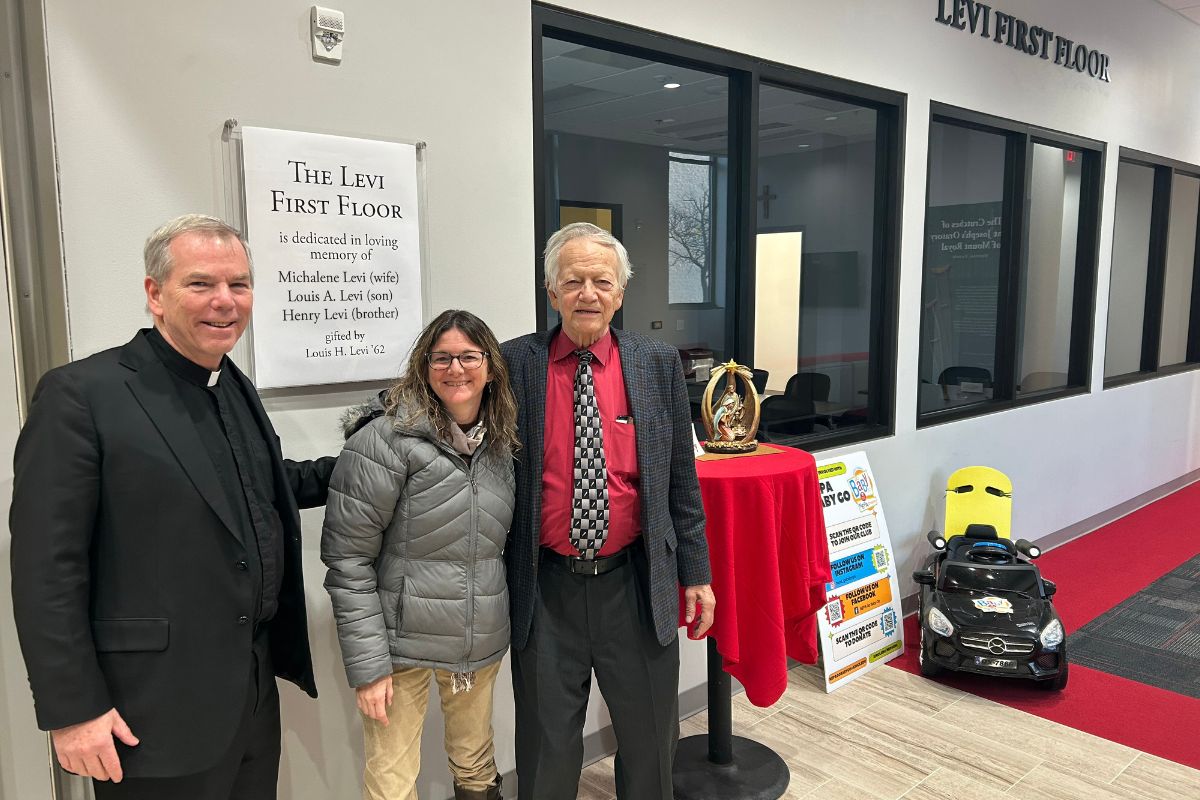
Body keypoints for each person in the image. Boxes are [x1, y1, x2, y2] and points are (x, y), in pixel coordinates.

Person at [8, 214, 337, 799]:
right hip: (149, 711)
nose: (225, 302)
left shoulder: (231, 383)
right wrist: (74, 709)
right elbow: (45, 569)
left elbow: (261, 487)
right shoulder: (82, 395)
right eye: (201, 284)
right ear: (154, 294)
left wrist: (373, 467)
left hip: (249, 696)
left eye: (238, 284)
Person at [501, 222, 716, 799]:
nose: (587, 294)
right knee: (546, 756)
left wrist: (696, 574)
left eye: (602, 281)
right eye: (573, 281)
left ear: (621, 292)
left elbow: (680, 480)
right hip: (546, 589)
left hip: (637, 583)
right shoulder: (514, 364)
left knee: (650, 750)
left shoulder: (655, 363)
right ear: (552, 292)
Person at [322, 309, 518, 800]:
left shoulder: (502, 445)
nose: (456, 369)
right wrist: (368, 667)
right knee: (391, 780)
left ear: (490, 367)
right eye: (442, 358)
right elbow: (348, 562)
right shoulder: (383, 442)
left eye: (469, 357)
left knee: (476, 764)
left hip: (475, 643)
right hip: (398, 646)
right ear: (423, 366)